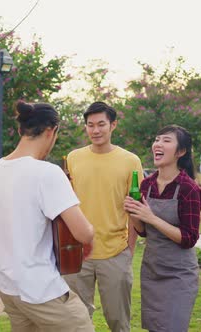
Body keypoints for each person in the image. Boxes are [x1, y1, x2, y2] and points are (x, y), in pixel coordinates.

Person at [0, 101, 95, 332]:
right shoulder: (47, 172)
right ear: (50, 131)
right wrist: (90, 238)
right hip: (39, 288)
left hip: (8, 286)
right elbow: (84, 232)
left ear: (20, 130)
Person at [64, 101, 143, 332]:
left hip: (115, 253)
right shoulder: (73, 158)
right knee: (76, 321)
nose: (95, 130)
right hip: (78, 254)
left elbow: (134, 207)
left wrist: (129, 250)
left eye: (101, 124)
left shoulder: (131, 161)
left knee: (118, 321)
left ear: (113, 125)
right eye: (90, 125)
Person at [124, 125, 201, 332]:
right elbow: (143, 231)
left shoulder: (189, 189)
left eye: (166, 140)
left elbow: (189, 238)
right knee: (155, 327)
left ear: (181, 152)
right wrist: (134, 214)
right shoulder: (146, 185)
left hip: (179, 275)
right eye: (157, 139)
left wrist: (151, 217)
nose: (158, 144)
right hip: (152, 270)